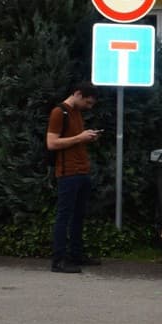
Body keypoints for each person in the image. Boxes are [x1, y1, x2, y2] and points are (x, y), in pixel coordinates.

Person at [46, 84, 100, 274]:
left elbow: (75, 138)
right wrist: (80, 138)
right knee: (65, 216)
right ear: (77, 94)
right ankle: (58, 260)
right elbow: (51, 143)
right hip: (68, 172)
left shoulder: (76, 112)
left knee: (78, 216)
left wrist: (86, 138)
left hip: (81, 171)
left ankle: (76, 255)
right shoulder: (59, 112)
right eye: (87, 102)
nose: (89, 106)